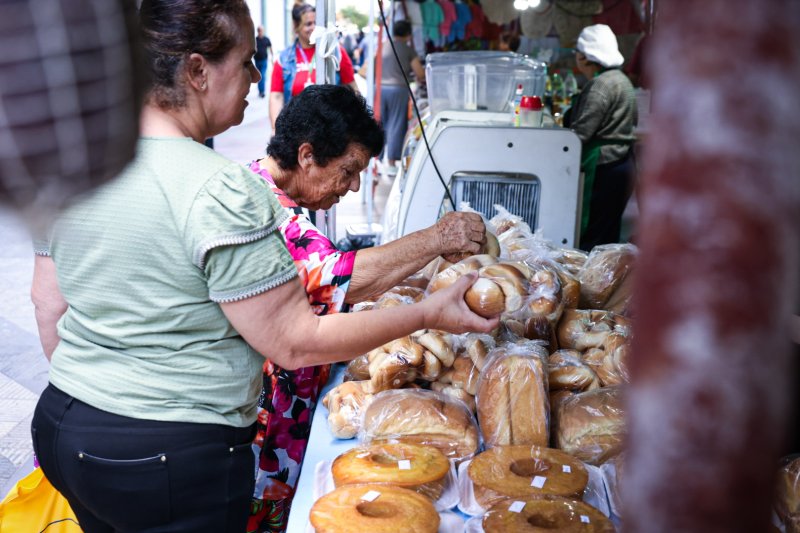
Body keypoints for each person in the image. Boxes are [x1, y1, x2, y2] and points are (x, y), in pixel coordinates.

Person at [29, 2, 498, 532]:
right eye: (247, 60)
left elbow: (49, 303)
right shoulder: (221, 189)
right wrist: (429, 312)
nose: (256, 76)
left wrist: (99, 399)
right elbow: (295, 342)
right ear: (198, 71)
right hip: (165, 454)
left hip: (64, 426)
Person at [245, 85, 488, 532]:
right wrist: (438, 239)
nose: (354, 185)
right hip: (260, 429)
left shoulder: (276, 193)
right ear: (306, 155)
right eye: (348, 170)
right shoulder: (259, 207)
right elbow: (341, 278)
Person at [564, 24, 637, 252]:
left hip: (603, 166)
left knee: (593, 234)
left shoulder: (601, 86)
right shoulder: (621, 80)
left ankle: (591, 282)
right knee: (607, 230)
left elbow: (581, 134)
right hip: (623, 162)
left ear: (585, 57)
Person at [269, 2, 359, 132]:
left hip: (332, 129)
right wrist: (276, 130)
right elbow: (276, 97)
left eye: (316, 23)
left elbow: (352, 88)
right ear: (296, 27)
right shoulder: (284, 59)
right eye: (308, 24)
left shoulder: (335, 52)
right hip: (296, 131)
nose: (314, 28)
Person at [380, 20, 425, 175]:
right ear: (408, 34)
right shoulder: (408, 50)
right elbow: (420, 73)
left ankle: (376, 161)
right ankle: (391, 163)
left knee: (380, 123)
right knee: (396, 124)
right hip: (398, 89)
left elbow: (365, 70)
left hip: (380, 88)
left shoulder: (383, 46)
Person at [255, 26, 273, 98]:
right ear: (257, 31)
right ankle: (260, 91)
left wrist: (272, 57)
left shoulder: (266, 39)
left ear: (263, 31)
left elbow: (270, 48)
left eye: (261, 30)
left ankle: (262, 91)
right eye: (259, 30)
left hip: (264, 60)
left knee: (262, 75)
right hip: (257, 60)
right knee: (259, 76)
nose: (260, 32)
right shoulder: (255, 40)